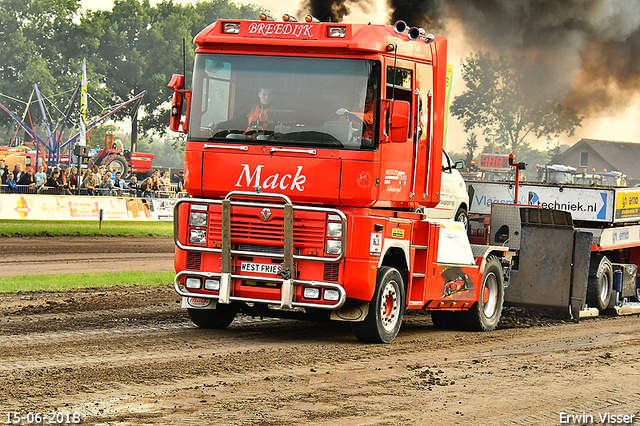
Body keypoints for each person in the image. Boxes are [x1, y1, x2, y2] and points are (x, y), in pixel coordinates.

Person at [209, 87, 277, 135]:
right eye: (264, 94)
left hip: (266, 139)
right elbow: (235, 121)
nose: (267, 98)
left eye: (269, 95)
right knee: (231, 136)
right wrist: (218, 125)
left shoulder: (276, 110)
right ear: (259, 94)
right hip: (248, 137)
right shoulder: (251, 108)